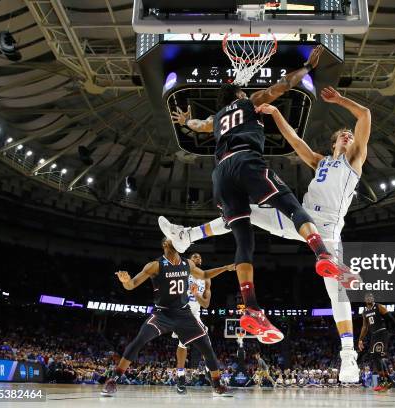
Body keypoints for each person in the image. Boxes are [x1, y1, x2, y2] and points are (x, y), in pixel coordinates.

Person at [159, 86, 371, 381]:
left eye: (350, 134)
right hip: (301, 221)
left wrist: (340, 100)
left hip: (328, 231)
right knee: (243, 211)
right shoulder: (320, 162)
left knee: (337, 294)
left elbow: (365, 114)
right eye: (343, 134)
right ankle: (187, 236)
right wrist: (276, 113)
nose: (348, 136)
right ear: (334, 142)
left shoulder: (355, 160)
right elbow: (295, 140)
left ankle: (348, 357)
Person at [100, 238, 234, 397]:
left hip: (184, 314)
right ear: (165, 244)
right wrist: (125, 281)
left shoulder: (187, 264)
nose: (177, 238)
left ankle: (217, 385)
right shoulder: (155, 265)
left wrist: (226, 267)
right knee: (138, 341)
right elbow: (131, 285)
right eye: (173, 237)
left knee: (207, 347)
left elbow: (204, 274)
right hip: (162, 313)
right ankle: (113, 380)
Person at [171, 252, 211, 394]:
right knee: (183, 343)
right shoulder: (182, 273)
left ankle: (208, 370)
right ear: (189, 260)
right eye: (194, 256)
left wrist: (196, 294)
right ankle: (181, 378)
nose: (197, 258)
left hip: (196, 314)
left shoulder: (206, 279)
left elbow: (206, 304)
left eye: (200, 257)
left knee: (207, 343)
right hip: (182, 313)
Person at [358, 293, 395, 391]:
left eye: (371, 297)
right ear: (365, 300)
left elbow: (391, 318)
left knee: (376, 356)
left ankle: (383, 381)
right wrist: (360, 339)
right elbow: (365, 327)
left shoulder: (379, 307)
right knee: (376, 357)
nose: (369, 298)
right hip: (374, 335)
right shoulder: (364, 312)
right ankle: (388, 381)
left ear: (373, 298)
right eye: (367, 297)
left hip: (382, 333)